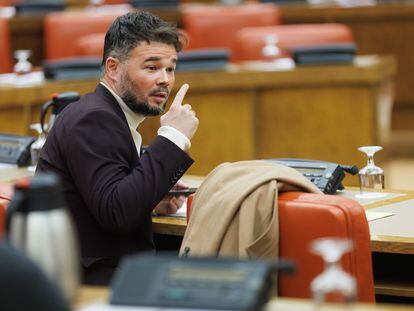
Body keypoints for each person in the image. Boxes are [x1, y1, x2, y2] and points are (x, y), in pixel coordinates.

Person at [36, 11, 199, 285]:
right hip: (94, 284)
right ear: (113, 68)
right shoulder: (94, 119)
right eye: (151, 67)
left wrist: (152, 197)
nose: (165, 80)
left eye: (170, 68)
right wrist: (173, 137)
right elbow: (117, 212)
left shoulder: (106, 114)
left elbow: (106, 197)